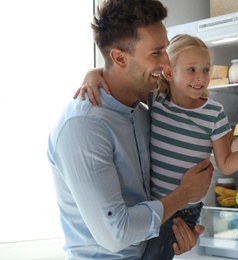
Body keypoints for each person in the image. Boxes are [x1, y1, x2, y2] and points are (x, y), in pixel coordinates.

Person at [76, 33, 238, 259]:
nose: (200, 78)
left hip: (185, 211)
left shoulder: (214, 113)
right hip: (154, 204)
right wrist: (92, 74)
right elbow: (119, 78)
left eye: (206, 70)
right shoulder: (157, 99)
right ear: (169, 73)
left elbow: (226, 164)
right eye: (191, 70)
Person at [47, 1, 214, 259]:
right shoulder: (84, 126)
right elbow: (117, 234)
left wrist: (175, 231)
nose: (167, 61)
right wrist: (184, 195)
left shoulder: (143, 113)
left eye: (166, 50)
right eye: (156, 53)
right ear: (119, 58)